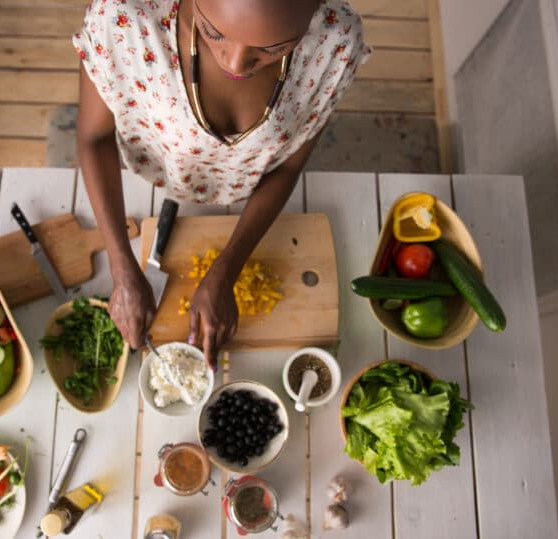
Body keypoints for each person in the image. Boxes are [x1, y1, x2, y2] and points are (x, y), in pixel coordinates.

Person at [74, 0, 367, 370]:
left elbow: (289, 167)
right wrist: (121, 267)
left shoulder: (335, 41)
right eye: (214, 32)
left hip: (254, 194)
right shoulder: (123, 19)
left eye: (272, 48)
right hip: (144, 184)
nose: (235, 63)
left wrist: (227, 269)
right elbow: (93, 139)